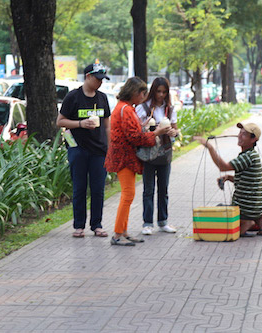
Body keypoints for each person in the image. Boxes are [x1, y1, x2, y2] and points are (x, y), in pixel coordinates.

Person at [104, 77, 170, 246]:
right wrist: (157, 132)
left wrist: (143, 127)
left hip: (125, 157)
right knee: (127, 195)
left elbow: (133, 132)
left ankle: (123, 232)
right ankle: (118, 234)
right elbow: (135, 137)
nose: (143, 96)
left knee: (129, 194)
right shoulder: (125, 109)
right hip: (124, 158)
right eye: (141, 93)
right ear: (134, 92)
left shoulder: (126, 108)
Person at [56, 62, 111, 238]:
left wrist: (110, 148)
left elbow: (107, 126)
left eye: (103, 79)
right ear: (88, 77)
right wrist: (80, 124)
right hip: (78, 149)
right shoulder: (73, 97)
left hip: (99, 150)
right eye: (97, 79)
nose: (100, 83)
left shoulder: (102, 98)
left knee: (98, 189)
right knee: (79, 188)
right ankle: (78, 225)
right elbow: (60, 121)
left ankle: (97, 225)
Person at [194, 123, 262, 237]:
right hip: (256, 207)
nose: (239, 136)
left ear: (253, 139)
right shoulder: (252, 155)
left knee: (220, 209)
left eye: (244, 134)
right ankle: (261, 223)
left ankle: (245, 222)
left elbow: (223, 167)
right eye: (240, 133)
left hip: (247, 208)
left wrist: (210, 148)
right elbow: (247, 181)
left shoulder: (247, 156)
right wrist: (228, 178)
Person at [135, 77, 179, 235]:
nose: (161, 95)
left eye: (164, 92)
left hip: (165, 152)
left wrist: (174, 132)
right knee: (148, 189)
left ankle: (163, 221)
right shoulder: (143, 108)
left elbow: (176, 129)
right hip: (148, 153)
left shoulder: (170, 109)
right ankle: (147, 223)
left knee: (163, 188)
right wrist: (152, 129)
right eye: (158, 91)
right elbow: (138, 131)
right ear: (153, 91)